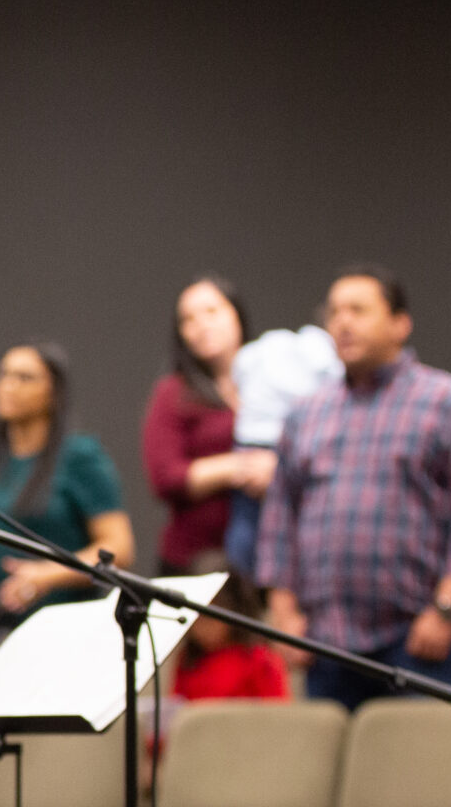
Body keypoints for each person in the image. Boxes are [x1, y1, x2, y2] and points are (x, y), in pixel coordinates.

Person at [259, 266, 451, 710]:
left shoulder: (447, 402)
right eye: (334, 312)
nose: (342, 323)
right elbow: (280, 517)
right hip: (325, 646)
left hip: (417, 641)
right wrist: (284, 613)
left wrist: (446, 611)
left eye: (358, 310)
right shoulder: (306, 415)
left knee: (420, 775)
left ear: (400, 323)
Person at [0, 342, 135, 621]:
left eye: (25, 378)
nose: (9, 385)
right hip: (2, 625)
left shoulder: (79, 457)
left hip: (65, 622)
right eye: (3, 375)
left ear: (54, 393)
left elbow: (120, 547)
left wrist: (48, 575)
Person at [142, 277, 256, 575]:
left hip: (263, 557)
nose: (201, 325)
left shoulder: (269, 380)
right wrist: (238, 467)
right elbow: (166, 476)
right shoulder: (174, 393)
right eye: (188, 319)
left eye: (211, 311)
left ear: (237, 315)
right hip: (195, 562)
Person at [224, 318, 342, 573]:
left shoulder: (263, 347)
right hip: (284, 444)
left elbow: (239, 371)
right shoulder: (321, 354)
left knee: (247, 534)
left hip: (251, 442)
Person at [168, 562, 288, 704]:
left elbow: (279, 718)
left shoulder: (260, 659)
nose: (202, 625)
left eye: (210, 614)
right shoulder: (188, 660)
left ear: (233, 608)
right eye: (196, 615)